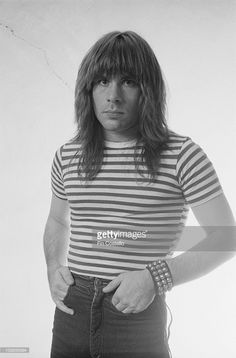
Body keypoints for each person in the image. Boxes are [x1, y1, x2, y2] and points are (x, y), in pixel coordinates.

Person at [43, 31, 236, 358]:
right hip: (70, 310)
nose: (113, 96)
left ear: (148, 90)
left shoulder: (182, 155)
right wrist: (52, 267)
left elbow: (225, 237)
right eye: (102, 81)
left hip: (135, 311)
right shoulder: (67, 155)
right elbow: (58, 221)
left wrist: (156, 277)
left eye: (128, 81)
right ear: (87, 90)